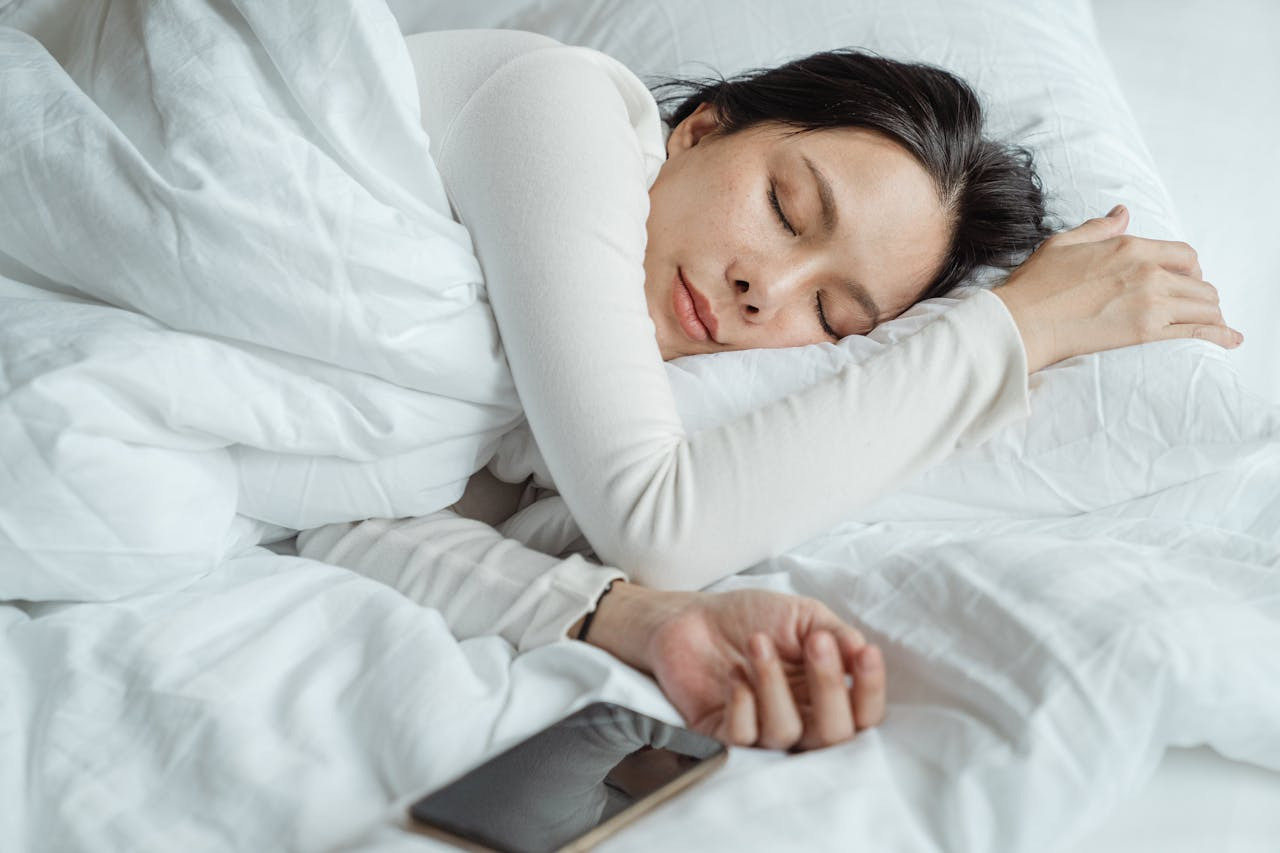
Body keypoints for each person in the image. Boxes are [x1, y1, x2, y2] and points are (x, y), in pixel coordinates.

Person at [299, 30, 1239, 752]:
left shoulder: (519, 412)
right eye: (788, 208)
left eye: (832, 317)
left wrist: (635, 619)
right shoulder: (557, 104)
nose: (766, 291)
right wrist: (1016, 331)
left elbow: (335, 520)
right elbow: (657, 523)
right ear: (700, 129)